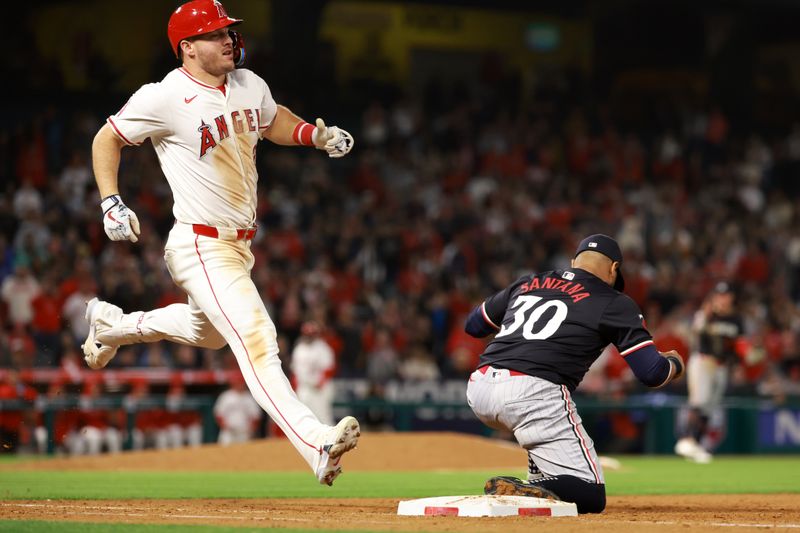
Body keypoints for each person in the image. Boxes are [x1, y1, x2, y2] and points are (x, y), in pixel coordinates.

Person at [82, 0, 359, 486]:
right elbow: (107, 139)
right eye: (214, 34)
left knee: (206, 331)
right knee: (256, 338)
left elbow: (271, 121)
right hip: (199, 243)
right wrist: (110, 201)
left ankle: (111, 326)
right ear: (187, 48)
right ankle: (314, 441)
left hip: (238, 247)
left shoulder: (250, 84)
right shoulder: (165, 97)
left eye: (228, 30)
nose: (228, 39)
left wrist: (313, 135)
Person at [464, 234, 685, 514]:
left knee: (553, 478)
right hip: (532, 393)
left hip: (480, 387)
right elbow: (652, 373)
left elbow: (473, 325)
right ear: (614, 268)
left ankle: (538, 483)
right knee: (589, 492)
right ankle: (522, 486)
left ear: (573, 262)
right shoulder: (613, 301)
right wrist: (676, 364)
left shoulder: (528, 282)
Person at [674, 281, 745, 463]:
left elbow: (738, 346)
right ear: (714, 297)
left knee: (709, 407)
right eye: (719, 295)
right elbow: (697, 335)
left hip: (722, 366)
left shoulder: (736, 319)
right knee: (699, 400)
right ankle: (686, 439)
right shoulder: (706, 314)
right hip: (704, 361)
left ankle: (696, 445)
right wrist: (708, 314)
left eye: (726, 295)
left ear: (732, 297)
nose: (723, 299)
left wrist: (743, 357)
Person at [291, 321, 336, 425]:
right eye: (307, 334)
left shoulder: (322, 348)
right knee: (304, 418)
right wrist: (295, 388)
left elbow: (329, 368)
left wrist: (320, 383)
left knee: (323, 417)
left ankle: (330, 441)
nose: (309, 337)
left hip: (319, 389)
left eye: (311, 334)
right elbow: (295, 372)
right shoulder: (299, 349)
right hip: (304, 388)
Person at [214, 373, 262, 445]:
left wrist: (251, 430)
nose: (239, 384)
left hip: (244, 432)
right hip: (229, 432)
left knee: (244, 454)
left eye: (240, 382)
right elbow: (218, 414)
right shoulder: (226, 396)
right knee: (224, 453)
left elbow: (256, 417)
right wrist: (224, 426)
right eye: (237, 382)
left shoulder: (250, 398)